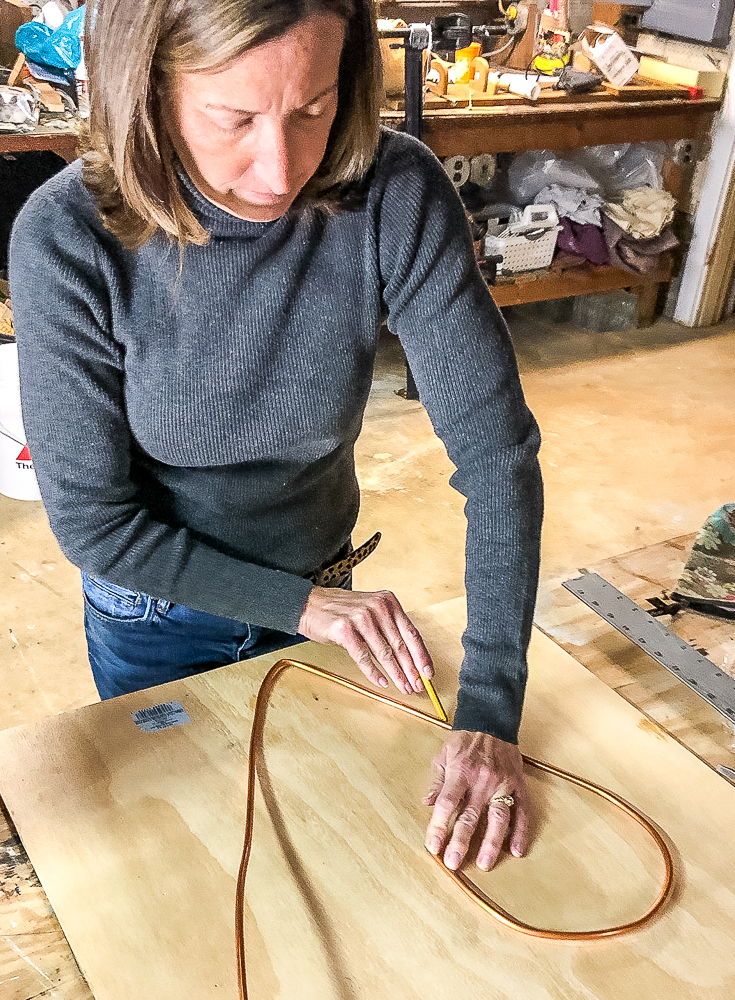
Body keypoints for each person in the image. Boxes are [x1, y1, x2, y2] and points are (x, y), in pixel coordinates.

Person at [9, 0, 543, 876]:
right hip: (159, 611)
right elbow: (94, 524)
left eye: (313, 109)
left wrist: (488, 709)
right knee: (193, 856)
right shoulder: (69, 236)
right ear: (147, 91)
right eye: (234, 117)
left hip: (322, 580)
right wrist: (304, 607)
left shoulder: (392, 192)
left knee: (328, 840)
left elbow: (497, 457)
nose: (280, 168)